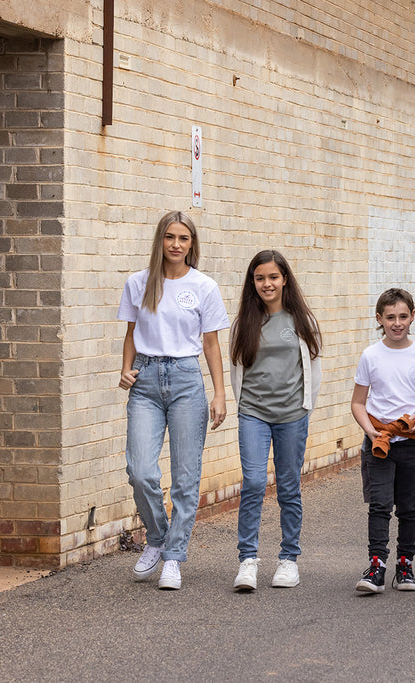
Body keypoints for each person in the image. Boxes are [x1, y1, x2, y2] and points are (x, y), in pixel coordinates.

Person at [117, 210, 229, 590]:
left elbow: (211, 343)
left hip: (185, 380)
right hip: (145, 381)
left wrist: (219, 393)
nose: (176, 244)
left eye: (183, 238)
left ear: (192, 243)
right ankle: (158, 537)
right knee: (141, 470)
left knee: (185, 477)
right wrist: (125, 369)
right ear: (160, 241)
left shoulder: (204, 286)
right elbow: (131, 333)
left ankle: (174, 558)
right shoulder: (139, 283)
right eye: (169, 237)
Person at [229, 250, 322, 591]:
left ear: (284, 279)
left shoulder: (301, 320)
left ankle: (288, 560)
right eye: (260, 278)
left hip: (292, 416)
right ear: (252, 283)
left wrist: (305, 406)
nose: (267, 284)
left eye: (272, 277)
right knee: (253, 483)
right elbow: (237, 369)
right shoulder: (244, 323)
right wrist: (243, 407)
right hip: (253, 413)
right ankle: (247, 561)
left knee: (288, 488)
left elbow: (313, 367)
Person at [351, 288, 415, 593]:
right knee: (380, 504)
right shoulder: (370, 355)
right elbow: (357, 402)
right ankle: (376, 566)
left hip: (412, 442)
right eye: (390, 317)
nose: (397, 323)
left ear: (413, 317)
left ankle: (405, 565)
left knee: (408, 506)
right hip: (379, 443)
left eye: (403, 316)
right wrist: (370, 432)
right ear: (379, 319)